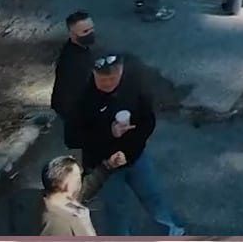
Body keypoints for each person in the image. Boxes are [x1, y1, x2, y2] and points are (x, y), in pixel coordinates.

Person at [71, 54, 185, 236]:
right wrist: (109, 133)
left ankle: (174, 231)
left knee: (153, 196)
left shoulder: (134, 88)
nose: (108, 83)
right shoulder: (84, 98)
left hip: (135, 157)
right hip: (103, 166)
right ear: (93, 73)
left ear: (121, 71)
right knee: (116, 209)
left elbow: (148, 122)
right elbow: (73, 137)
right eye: (102, 79)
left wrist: (132, 144)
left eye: (112, 78)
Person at [50, 13, 98, 149]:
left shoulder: (77, 49)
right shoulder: (74, 63)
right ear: (72, 34)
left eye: (91, 28)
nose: (91, 33)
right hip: (75, 111)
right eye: (85, 31)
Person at [38, 155, 98, 236]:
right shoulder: (66, 225)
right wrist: (87, 227)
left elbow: (86, 188)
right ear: (67, 184)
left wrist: (108, 166)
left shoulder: (34, 200)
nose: (80, 182)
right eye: (78, 178)